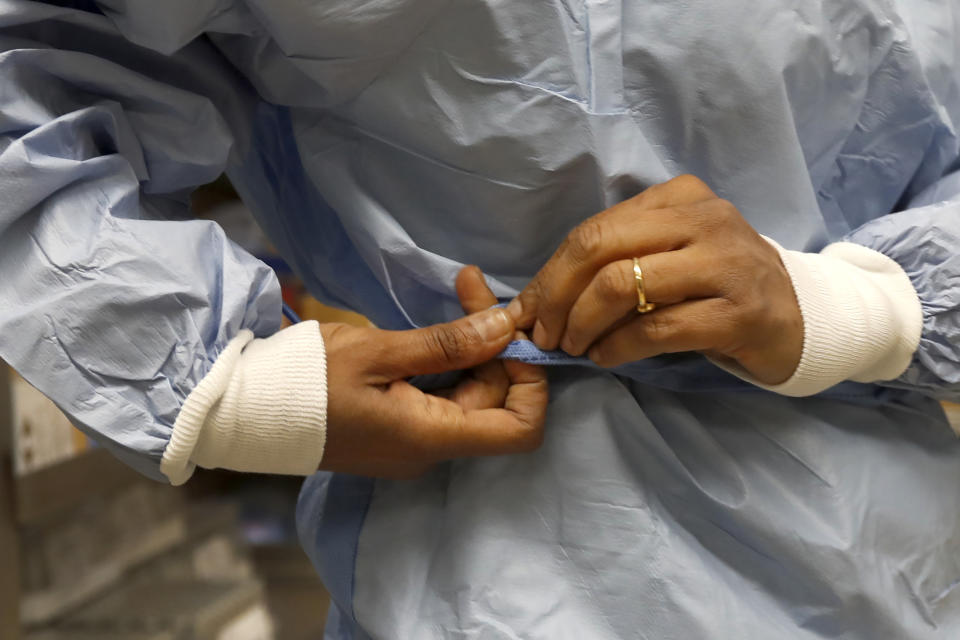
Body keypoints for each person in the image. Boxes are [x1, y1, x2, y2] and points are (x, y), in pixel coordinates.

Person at [1, 1, 959, 637]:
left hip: (892, 545)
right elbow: (26, 69)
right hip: (497, 554)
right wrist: (241, 391)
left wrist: (862, 306)